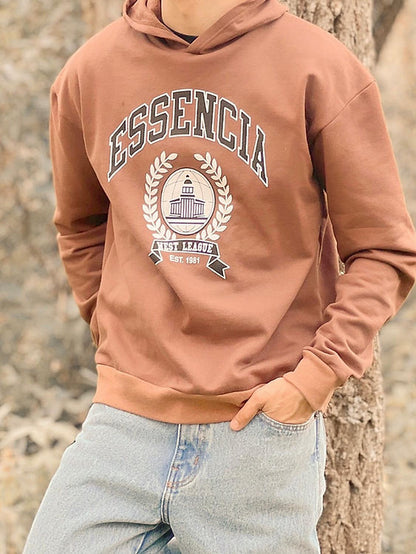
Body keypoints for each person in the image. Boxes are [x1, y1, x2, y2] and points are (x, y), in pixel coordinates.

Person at [23, 0, 416, 552]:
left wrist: (313, 379)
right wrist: (117, 332)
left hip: (256, 433)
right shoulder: (90, 72)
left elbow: (383, 250)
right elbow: (81, 226)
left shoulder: (317, 67)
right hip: (124, 423)